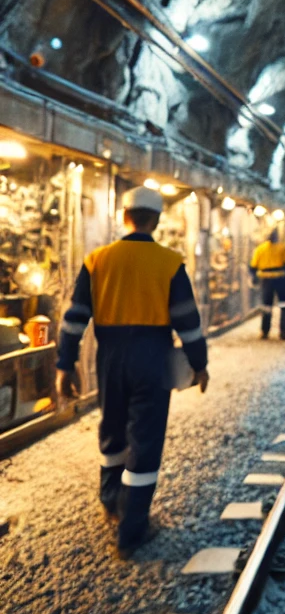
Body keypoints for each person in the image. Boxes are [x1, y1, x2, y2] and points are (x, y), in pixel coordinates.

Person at [55, 186, 209, 558]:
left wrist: (65, 364)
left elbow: (75, 318)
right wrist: (199, 364)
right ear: (155, 220)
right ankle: (132, 529)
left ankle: (111, 500)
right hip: (153, 356)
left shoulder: (97, 260)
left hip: (109, 355)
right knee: (145, 437)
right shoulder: (170, 263)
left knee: (112, 426)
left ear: (124, 217)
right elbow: (187, 322)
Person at [250, 228, 285, 340]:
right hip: (281, 279)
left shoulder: (260, 249)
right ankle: (284, 332)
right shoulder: (284, 248)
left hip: (266, 280)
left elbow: (253, 266)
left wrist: (254, 278)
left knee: (266, 306)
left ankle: (265, 332)